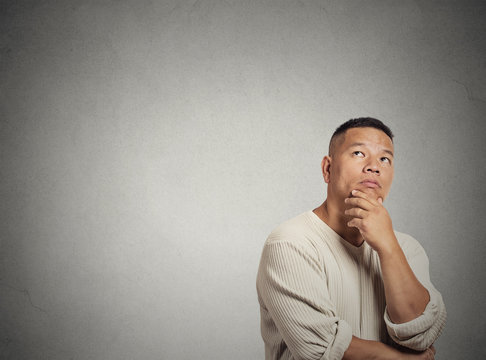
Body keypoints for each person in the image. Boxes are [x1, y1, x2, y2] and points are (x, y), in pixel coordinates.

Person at [256, 118, 446, 360]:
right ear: (327, 169)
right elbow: (319, 349)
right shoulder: (290, 243)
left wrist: (388, 247)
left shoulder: (407, 248)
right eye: (359, 153)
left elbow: (420, 335)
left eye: (384, 159)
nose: (373, 167)